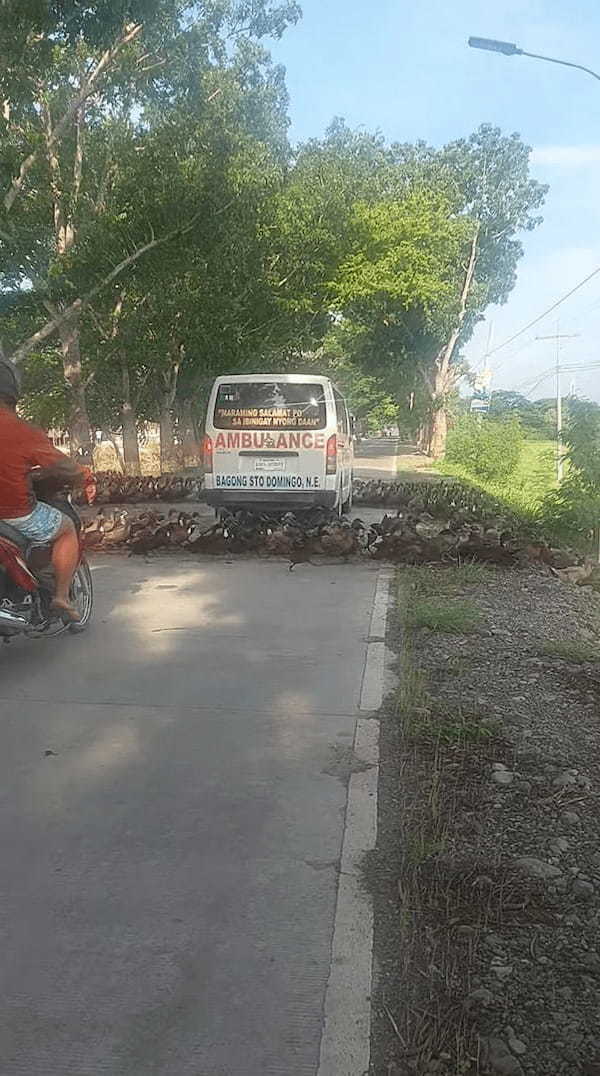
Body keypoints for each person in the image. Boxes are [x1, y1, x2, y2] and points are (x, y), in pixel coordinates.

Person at [0, 359, 84, 621]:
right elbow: (66, 467)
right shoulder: (22, 431)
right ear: (13, 394)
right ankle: (60, 596)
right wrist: (83, 475)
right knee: (67, 527)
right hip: (14, 513)